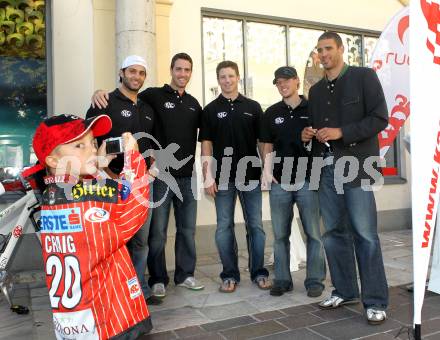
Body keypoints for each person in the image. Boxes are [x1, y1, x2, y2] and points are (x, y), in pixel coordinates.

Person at [92, 53, 204, 298]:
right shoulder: (153, 96)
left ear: (191, 73)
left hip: (182, 177)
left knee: (186, 231)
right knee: (157, 232)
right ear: (171, 70)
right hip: (154, 178)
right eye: (178, 69)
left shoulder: (193, 104)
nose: (182, 74)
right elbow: (115, 103)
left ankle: (184, 275)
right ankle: (156, 279)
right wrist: (99, 92)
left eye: (187, 70)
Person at [31, 114, 152, 339]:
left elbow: (91, 191)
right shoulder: (88, 200)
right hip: (106, 319)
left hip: (75, 319)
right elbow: (134, 206)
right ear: (53, 160)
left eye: (93, 144)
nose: (92, 150)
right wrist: (133, 157)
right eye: (79, 145)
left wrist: (97, 165)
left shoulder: (51, 195)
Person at [301, 31, 389, 324]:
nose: (323, 54)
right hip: (326, 169)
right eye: (319, 50)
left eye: (328, 48)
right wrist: (308, 135)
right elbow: (316, 131)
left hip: (358, 166)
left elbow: (379, 118)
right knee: (333, 234)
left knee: (365, 234)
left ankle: (375, 300)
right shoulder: (315, 91)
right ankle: (345, 290)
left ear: (340, 49)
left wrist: (342, 132)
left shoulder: (364, 77)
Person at [86, 55, 161, 305]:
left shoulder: (148, 108)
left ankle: (138, 290)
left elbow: (149, 145)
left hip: (140, 187)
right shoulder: (104, 102)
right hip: (110, 185)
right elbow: (89, 144)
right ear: (122, 72)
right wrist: (108, 175)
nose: (136, 76)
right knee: (112, 242)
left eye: (141, 73)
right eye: (132, 71)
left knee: (140, 241)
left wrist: (151, 168)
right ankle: (111, 291)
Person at [199, 60, 271, 293]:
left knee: (256, 226)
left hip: (250, 175)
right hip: (222, 179)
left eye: (231, 76)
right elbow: (206, 145)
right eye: (222, 76)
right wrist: (207, 177)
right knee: (224, 228)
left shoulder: (253, 106)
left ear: (238, 78)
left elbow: (262, 142)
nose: (227, 80)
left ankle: (259, 272)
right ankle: (229, 275)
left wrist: (266, 170)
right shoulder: (209, 110)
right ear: (218, 80)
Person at [260, 66, 326, 297]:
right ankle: (282, 279)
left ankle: (315, 280)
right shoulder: (271, 113)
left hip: (308, 179)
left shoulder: (313, 109)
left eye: (287, 80)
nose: (283, 84)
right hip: (280, 182)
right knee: (280, 235)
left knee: (313, 234)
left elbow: (323, 142)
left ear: (297, 82)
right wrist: (267, 173)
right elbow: (266, 144)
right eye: (278, 81)